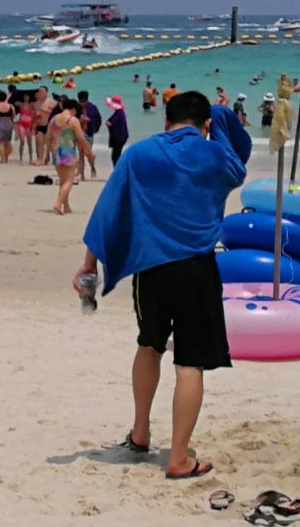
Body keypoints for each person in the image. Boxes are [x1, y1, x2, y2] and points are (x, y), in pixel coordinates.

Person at [76, 90, 252, 481]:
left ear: (165, 121)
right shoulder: (220, 159)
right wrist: (217, 118)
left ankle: (140, 434)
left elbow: (107, 207)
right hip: (196, 269)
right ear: (206, 125)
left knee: (149, 344)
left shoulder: (139, 154)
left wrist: (89, 265)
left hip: (150, 269)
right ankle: (177, 458)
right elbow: (240, 147)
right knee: (190, 362)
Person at [48, 96, 87, 216]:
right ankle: (58, 204)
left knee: (63, 181)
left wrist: (45, 154)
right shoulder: (73, 120)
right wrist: (89, 151)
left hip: (55, 150)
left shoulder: (54, 118)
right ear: (74, 109)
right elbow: (80, 138)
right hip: (67, 151)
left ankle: (66, 205)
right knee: (69, 180)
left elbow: (48, 136)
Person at [79, 90, 103, 179]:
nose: (82, 103)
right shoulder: (77, 108)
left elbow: (98, 119)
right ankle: (82, 175)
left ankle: (92, 168)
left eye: (84, 101)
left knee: (88, 153)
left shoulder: (93, 108)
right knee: (81, 154)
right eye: (81, 101)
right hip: (79, 133)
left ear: (87, 100)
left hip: (89, 133)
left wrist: (90, 120)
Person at [105, 95, 129, 167]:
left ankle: (118, 172)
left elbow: (116, 126)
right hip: (121, 137)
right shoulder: (118, 112)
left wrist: (109, 125)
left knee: (115, 157)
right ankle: (118, 172)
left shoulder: (120, 114)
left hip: (119, 138)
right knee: (116, 156)